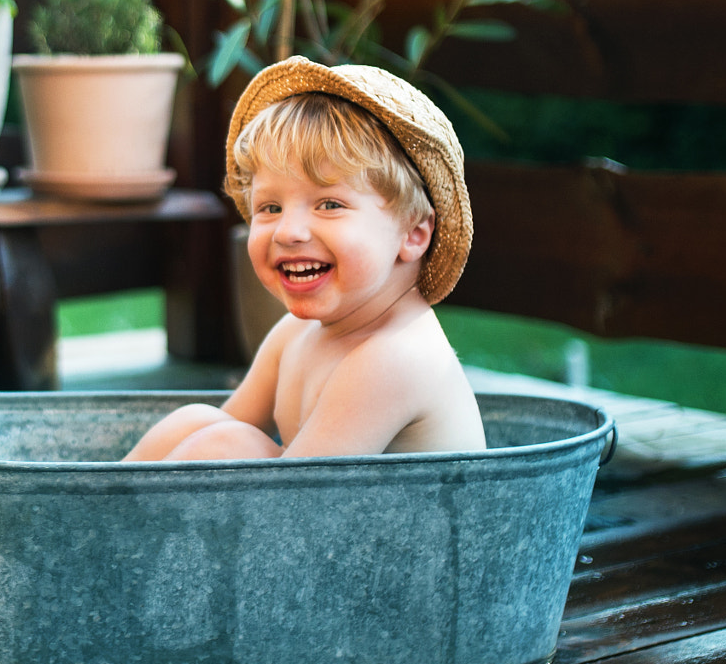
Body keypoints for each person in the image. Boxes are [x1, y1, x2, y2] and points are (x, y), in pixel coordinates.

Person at [125, 57, 485, 461]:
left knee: (229, 444)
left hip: (408, 524)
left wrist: (225, 448)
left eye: (329, 204)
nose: (287, 232)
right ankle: (95, 508)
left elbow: (300, 500)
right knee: (196, 422)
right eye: (270, 207)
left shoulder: (395, 358)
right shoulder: (295, 335)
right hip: (327, 517)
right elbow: (222, 431)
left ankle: (117, 521)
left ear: (413, 235)